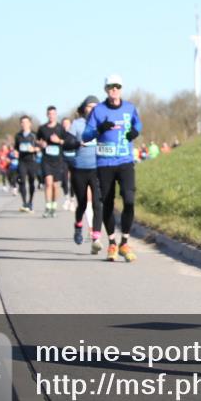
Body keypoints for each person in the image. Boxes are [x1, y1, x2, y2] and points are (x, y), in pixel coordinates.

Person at [82, 74, 142, 262]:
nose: (114, 89)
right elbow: (85, 135)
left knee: (129, 199)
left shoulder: (130, 108)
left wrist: (135, 131)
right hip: (105, 163)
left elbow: (138, 123)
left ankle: (124, 241)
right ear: (106, 90)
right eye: (110, 87)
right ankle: (112, 243)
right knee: (107, 203)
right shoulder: (98, 111)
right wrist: (99, 129)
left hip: (124, 161)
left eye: (117, 86)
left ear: (121, 88)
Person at [64, 95, 104, 253]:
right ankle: (78, 225)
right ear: (84, 108)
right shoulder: (77, 124)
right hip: (79, 169)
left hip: (97, 168)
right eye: (89, 106)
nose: (92, 108)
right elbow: (67, 143)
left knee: (97, 203)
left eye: (96, 106)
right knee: (81, 204)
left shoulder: (101, 124)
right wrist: (77, 143)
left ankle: (96, 238)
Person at [37, 106, 67, 218]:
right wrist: (41, 144)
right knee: (48, 183)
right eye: (49, 114)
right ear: (47, 115)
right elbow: (37, 140)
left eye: (53, 113)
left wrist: (58, 140)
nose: (51, 115)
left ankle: (54, 206)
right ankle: (48, 206)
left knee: (56, 185)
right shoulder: (42, 128)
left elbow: (66, 141)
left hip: (58, 161)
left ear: (56, 114)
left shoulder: (60, 128)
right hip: (46, 160)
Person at [14, 116, 39, 212]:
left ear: (30, 124)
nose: (24, 124)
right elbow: (16, 147)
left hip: (32, 161)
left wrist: (34, 149)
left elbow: (40, 147)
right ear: (21, 124)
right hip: (22, 161)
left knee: (32, 182)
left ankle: (30, 202)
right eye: (22, 122)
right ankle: (24, 203)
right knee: (22, 181)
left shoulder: (34, 135)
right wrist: (15, 152)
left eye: (26, 122)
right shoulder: (18, 135)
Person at [61, 116, 75, 212]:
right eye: (64, 123)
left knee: (73, 180)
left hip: (74, 159)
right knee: (64, 179)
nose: (66, 125)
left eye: (67, 123)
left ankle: (72, 199)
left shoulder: (74, 134)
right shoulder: (60, 134)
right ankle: (66, 198)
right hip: (63, 159)